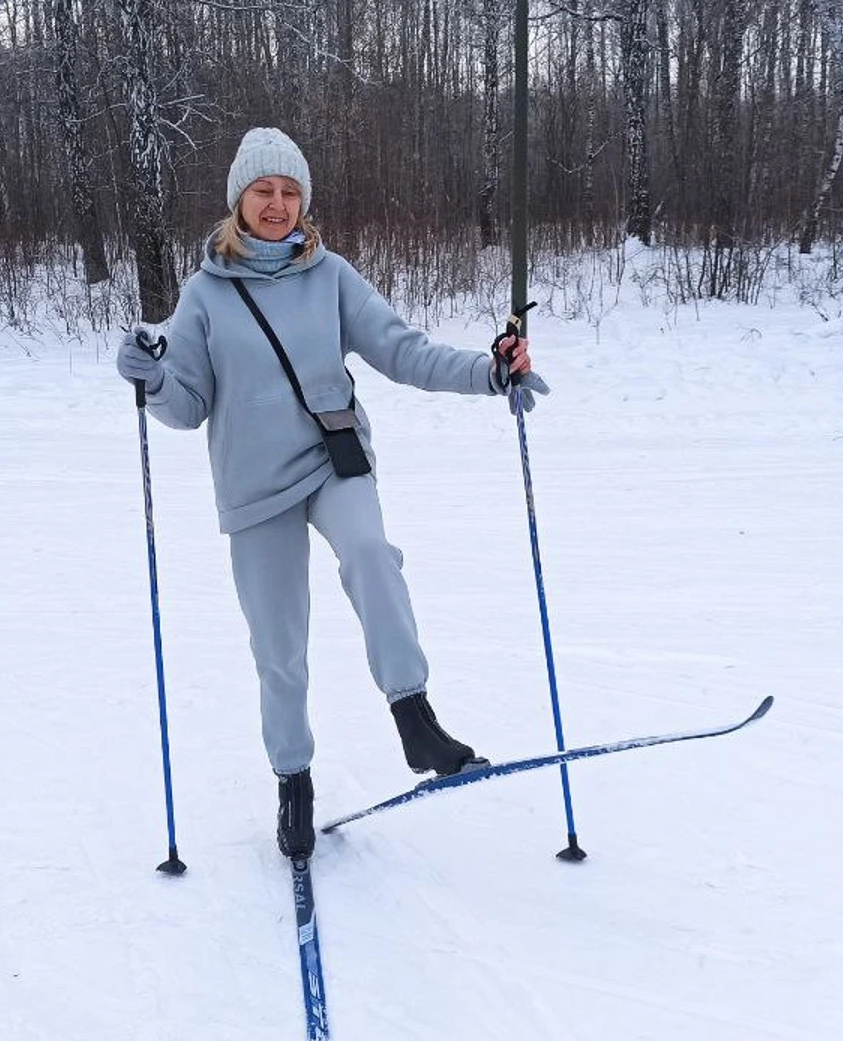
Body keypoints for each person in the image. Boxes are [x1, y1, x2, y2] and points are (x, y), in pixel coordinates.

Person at [115, 127, 550, 860]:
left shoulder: (331, 275)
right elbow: (185, 407)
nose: (279, 205)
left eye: (290, 193)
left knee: (371, 554)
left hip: (331, 461)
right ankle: (294, 781)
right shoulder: (203, 298)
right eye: (264, 191)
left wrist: (489, 371)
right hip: (255, 489)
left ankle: (415, 717)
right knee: (280, 650)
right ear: (238, 202)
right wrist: (152, 378)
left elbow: (402, 349)